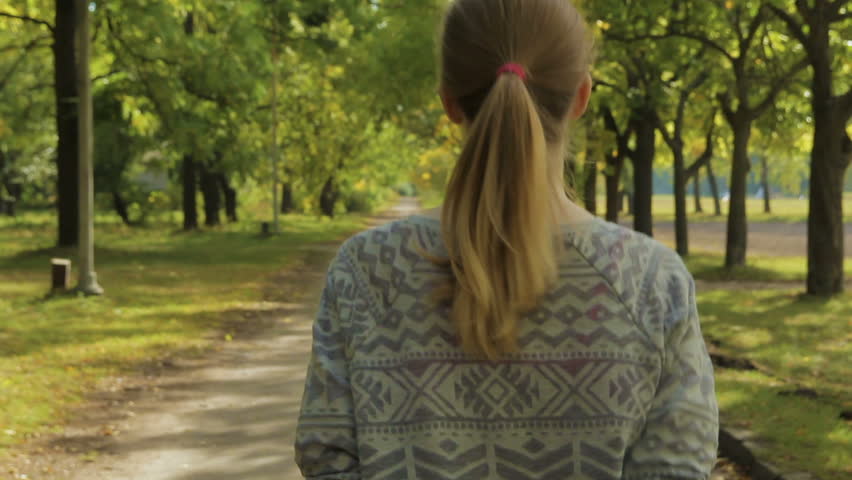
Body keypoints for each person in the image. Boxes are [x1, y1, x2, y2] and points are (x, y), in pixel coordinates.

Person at [295, 0, 719, 478]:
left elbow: (324, 453)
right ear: (582, 96)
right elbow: (678, 467)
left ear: (449, 103)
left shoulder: (366, 270)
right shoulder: (652, 283)